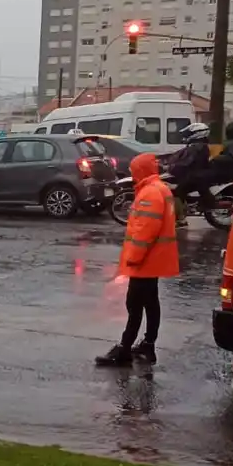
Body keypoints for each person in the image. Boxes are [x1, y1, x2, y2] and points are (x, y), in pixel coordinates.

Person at [97, 152, 179, 367]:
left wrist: (134, 258)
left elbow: (145, 231)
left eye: (134, 171)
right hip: (154, 260)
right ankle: (148, 345)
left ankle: (124, 350)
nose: (132, 176)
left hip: (145, 261)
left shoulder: (149, 193)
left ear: (141, 171)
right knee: (150, 302)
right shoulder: (160, 189)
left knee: (134, 304)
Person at [165, 121, 211, 195]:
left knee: (175, 192)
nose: (185, 137)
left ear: (197, 134)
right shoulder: (197, 146)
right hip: (195, 177)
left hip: (193, 178)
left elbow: (184, 164)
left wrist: (169, 167)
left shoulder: (197, 148)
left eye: (188, 134)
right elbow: (178, 156)